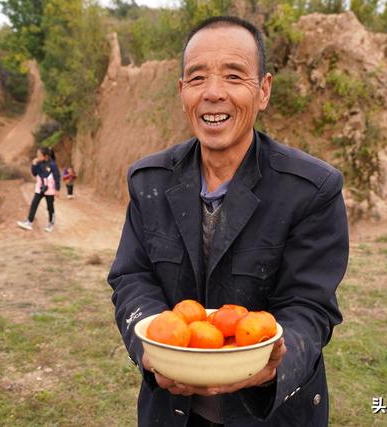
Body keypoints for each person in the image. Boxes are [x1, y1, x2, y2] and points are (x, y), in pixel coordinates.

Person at [108, 16, 349, 427]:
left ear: (263, 91)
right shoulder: (149, 181)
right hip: (172, 413)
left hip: (270, 414)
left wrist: (275, 360)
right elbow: (133, 277)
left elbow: (308, 305)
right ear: (183, 92)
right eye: (197, 78)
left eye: (234, 76)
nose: (213, 94)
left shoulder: (310, 189)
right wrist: (151, 350)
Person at [17, 147, 60, 232]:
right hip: (40, 187)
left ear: (46, 156)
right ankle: (29, 222)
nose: (37, 156)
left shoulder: (52, 164)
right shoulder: (39, 163)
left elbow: (57, 177)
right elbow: (34, 173)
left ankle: (50, 224)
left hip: (50, 189)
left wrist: (57, 189)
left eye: (39, 155)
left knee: (50, 207)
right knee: (34, 203)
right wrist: (34, 164)